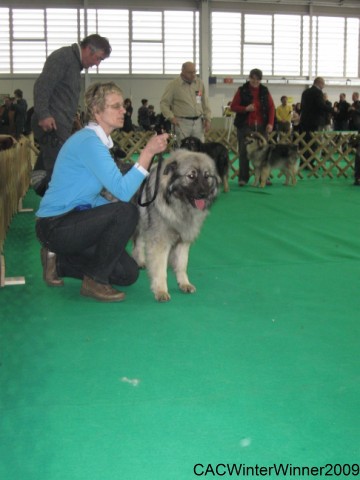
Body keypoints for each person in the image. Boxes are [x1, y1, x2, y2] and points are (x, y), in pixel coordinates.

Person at [35, 81, 169, 302]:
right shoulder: (89, 142)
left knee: (128, 274)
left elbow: (90, 196)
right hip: (55, 225)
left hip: (74, 221)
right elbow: (124, 193)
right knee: (126, 212)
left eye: (123, 105)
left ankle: (59, 262)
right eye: (115, 106)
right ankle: (95, 281)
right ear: (97, 111)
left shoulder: (97, 141)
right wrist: (147, 152)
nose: (123, 110)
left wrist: (108, 215)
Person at [31, 34, 112, 196]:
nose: (96, 64)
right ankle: (52, 216)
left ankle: (52, 205)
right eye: (98, 59)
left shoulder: (74, 64)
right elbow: (42, 85)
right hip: (51, 126)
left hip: (60, 126)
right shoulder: (63, 57)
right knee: (58, 175)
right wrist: (44, 115)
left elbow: (63, 96)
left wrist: (73, 120)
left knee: (58, 171)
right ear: (89, 49)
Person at [230, 68, 275, 186]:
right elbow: (233, 106)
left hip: (262, 126)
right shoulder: (242, 90)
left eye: (257, 79)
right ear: (249, 78)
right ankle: (243, 178)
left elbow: (271, 108)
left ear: (260, 80)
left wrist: (270, 123)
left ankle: (263, 178)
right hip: (245, 125)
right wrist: (245, 109)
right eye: (253, 78)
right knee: (244, 152)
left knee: (264, 152)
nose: (255, 81)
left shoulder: (265, 91)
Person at [160, 61, 211, 142]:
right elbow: (164, 103)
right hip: (181, 123)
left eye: (194, 72)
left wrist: (208, 119)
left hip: (198, 122)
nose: (193, 74)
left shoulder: (199, 83)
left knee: (199, 149)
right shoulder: (173, 85)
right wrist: (171, 117)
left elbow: (204, 102)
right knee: (182, 149)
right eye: (190, 72)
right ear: (182, 72)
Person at [299, 77, 333, 168]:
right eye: (323, 83)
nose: (324, 86)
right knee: (313, 143)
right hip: (314, 121)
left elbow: (302, 106)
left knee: (305, 142)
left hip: (304, 120)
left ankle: (303, 162)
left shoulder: (305, 92)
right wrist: (332, 110)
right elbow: (321, 105)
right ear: (319, 83)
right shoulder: (318, 92)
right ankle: (309, 163)